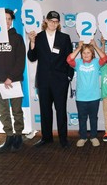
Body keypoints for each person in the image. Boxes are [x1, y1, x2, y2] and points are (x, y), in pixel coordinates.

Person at [27, 11, 74, 148]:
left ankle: (63, 139)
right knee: (45, 110)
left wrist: (68, 76)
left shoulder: (65, 38)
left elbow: (70, 59)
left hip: (60, 81)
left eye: (56, 21)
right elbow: (32, 57)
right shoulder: (38, 37)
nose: (54, 23)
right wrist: (32, 42)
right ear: (46, 21)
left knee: (61, 110)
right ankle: (46, 138)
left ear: (59, 23)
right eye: (51, 20)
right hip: (43, 81)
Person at [0, 8, 26, 153]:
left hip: (14, 81)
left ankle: (18, 135)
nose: (6, 21)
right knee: (3, 111)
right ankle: (9, 136)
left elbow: (20, 60)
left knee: (17, 110)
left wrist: (10, 77)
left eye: (9, 19)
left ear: (12, 21)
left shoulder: (17, 38)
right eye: (3, 19)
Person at [67, 39, 107, 147]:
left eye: (88, 52)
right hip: (81, 97)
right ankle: (83, 137)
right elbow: (69, 59)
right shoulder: (78, 63)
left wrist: (95, 46)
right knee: (82, 118)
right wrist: (79, 47)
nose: (86, 55)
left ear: (92, 53)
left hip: (94, 97)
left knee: (93, 118)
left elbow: (104, 58)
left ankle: (93, 137)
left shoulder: (96, 63)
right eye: (84, 53)